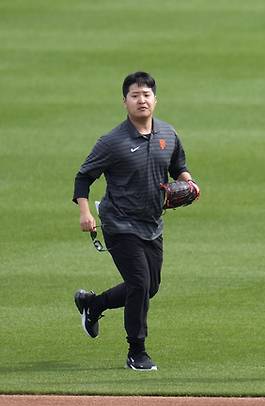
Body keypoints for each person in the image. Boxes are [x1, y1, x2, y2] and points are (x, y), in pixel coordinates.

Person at [72, 71, 199, 371]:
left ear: (155, 99)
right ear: (125, 102)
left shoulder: (167, 134)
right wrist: (85, 212)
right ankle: (136, 351)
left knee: (148, 286)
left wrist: (189, 182)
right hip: (119, 224)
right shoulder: (112, 142)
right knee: (140, 284)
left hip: (153, 224)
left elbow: (179, 167)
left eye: (146, 95)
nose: (141, 100)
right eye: (135, 95)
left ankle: (94, 304)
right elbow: (83, 177)